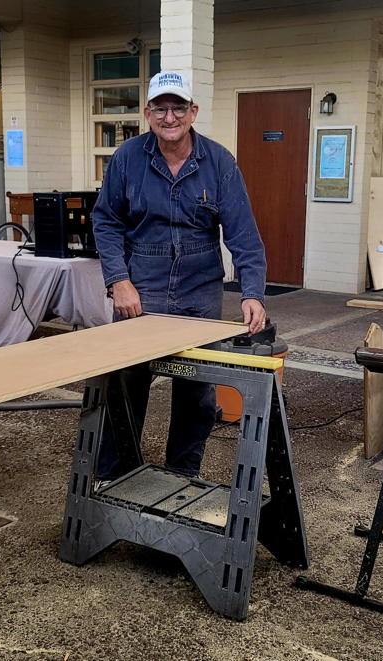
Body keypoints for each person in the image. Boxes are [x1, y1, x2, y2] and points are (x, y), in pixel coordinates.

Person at [92, 70, 266, 482]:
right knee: (125, 384)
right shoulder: (127, 158)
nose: (169, 117)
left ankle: (181, 475)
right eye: (160, 108)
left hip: (199, 287)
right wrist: (119, 280)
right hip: (142, 285)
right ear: (147, 113)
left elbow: (242, 232)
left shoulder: (219, 161)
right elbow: (106, 222)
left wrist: (252, 292)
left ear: (193, 112)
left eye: (178, 108)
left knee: (196, 390)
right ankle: (113, 474)